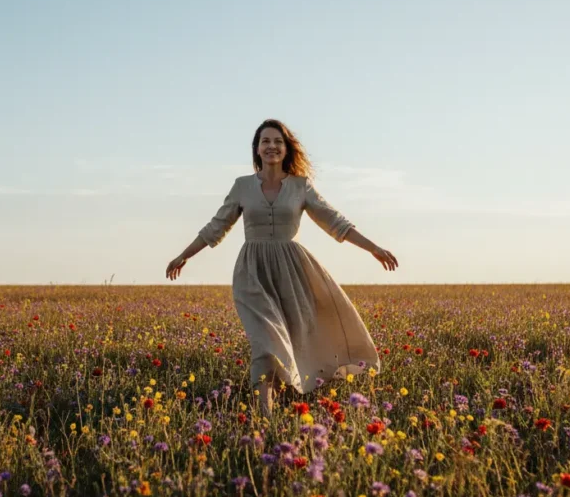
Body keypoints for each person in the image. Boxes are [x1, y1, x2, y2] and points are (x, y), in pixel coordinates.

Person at [165, 119, 398, 418]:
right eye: (265, 141)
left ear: (286, 148)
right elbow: (217, 226)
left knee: (296, 339)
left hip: (294, 271)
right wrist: (185, 255)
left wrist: (373, 248)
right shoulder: (242, 186)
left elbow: (334, 221)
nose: (271, 146)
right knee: (264, 342)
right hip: (253, 273)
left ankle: (290, 399)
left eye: (278, 141)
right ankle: (266, 418)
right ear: (257, 149)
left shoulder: (301, 187)